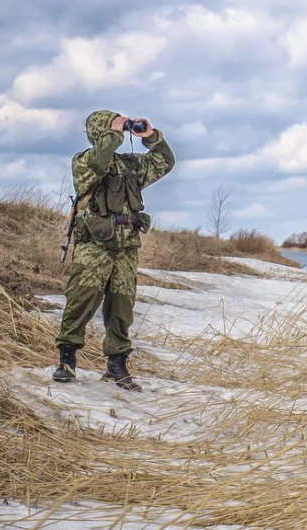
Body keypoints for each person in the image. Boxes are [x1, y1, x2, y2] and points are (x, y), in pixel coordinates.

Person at [52, 109, 175, 391]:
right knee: (81, 300)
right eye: (112, 127)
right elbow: (100, 160)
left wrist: (151, 137)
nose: (120, 130)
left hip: (125, 246)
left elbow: (165, 162)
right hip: (94, 244)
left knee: (122, 307)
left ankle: (117, 365)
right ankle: (67, 359)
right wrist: (114, 133)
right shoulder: (84, 161)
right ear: (100, 132)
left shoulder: (131, 166)